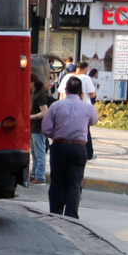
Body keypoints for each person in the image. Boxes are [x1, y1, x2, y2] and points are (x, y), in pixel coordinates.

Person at [41, 75, 97, 218]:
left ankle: (55, 213)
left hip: (59, 146)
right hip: (79, 148)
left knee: (57, 181)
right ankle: (71, 215)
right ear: (80, 92)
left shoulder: (56, 106)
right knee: (75, 182)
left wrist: (57, 135)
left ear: (65, 90)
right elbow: (93, 122)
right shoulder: (88, 107)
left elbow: (46, 130)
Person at [28, 64, 50, 185]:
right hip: (33, 127)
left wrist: (33, 116)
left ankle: (40, 176)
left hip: (39, 127)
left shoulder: (40, 94)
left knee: (40, 153)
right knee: (34, 153)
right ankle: (34, 174)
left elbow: (45, 112)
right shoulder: (33, 94)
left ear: (33, 82)